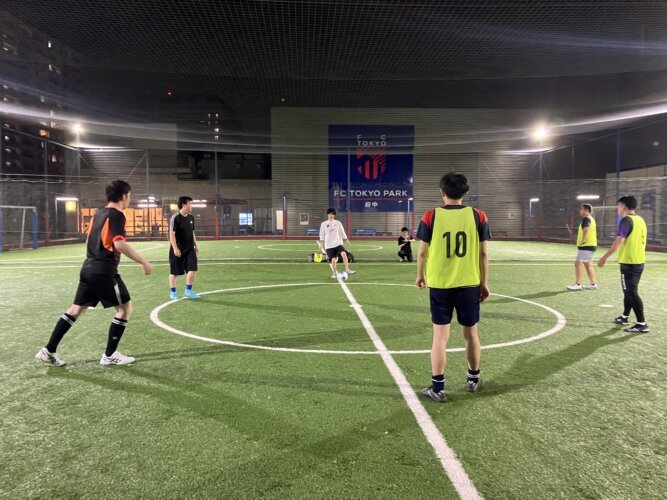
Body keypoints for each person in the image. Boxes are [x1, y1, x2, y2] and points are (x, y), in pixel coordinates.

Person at [35, 180, 153, 367]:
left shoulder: (98, 214)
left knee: (75, 310)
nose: (129, 199)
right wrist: (143, 261)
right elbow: (119, 243)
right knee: (125, 309)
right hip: (103, 270)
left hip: (88, 268)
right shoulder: (117, 215)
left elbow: (90, 240)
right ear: (123, 196)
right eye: (129, 196)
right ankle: (110, 355)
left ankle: (48, 350)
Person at [416, 172, 490, 402]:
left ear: (442, 191)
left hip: (440, 283)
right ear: (465, 192)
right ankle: (473, 379)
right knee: (471, 333)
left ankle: (438, 388)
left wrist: (420, 275)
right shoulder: (478, 216)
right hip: (469, 283)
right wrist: (484, 283)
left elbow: (422, 252)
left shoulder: (431, 216)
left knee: (440, 337)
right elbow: (483, 253)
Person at [598, 196, 649, 333]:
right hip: (638, 261)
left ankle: (641, 323)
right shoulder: (640, 220)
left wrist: (604, 257)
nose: (618, 209)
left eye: (619, 206)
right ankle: (625, 316)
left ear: (624, 206)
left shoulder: (626, 220)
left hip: (629, 263)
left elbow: (619, 241)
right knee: (628, 291)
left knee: (631, 291)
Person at [169, 196, 200, 300]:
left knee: (192, 269)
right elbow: (172, 234)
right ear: (183, 205)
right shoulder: (175, 218)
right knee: (175, 272)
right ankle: (173, 292)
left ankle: (188, 291)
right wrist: (175, 248)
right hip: (178, 249)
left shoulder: (191, 217)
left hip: (190, 249)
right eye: (190, 203)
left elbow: (192, 232)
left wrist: (196, 245)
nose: (191, 206)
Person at [318, 208, 356, 279]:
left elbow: (342, 231)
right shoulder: (323, 224)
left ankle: (347, 269)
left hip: (338, 243)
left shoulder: (338, 223)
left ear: (334, 215)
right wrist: (321, 243)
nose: (331, 215)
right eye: (329, 214)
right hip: (329, 245)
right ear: (327, 214)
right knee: (333, 260)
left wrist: (346, 240)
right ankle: (335, 273)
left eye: (332, 214)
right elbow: (321, 234)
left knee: (344, 254)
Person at [567, 203, 598, 290]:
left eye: (581, 209)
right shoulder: (591, 219)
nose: (580, 211)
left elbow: (586, 228)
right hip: (591, 245)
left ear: (586, 210)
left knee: (578, 263)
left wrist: (584, 239)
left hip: (586, 245)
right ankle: (593, 284)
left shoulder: (586, 218)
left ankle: (577, 284)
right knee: (588, 264)